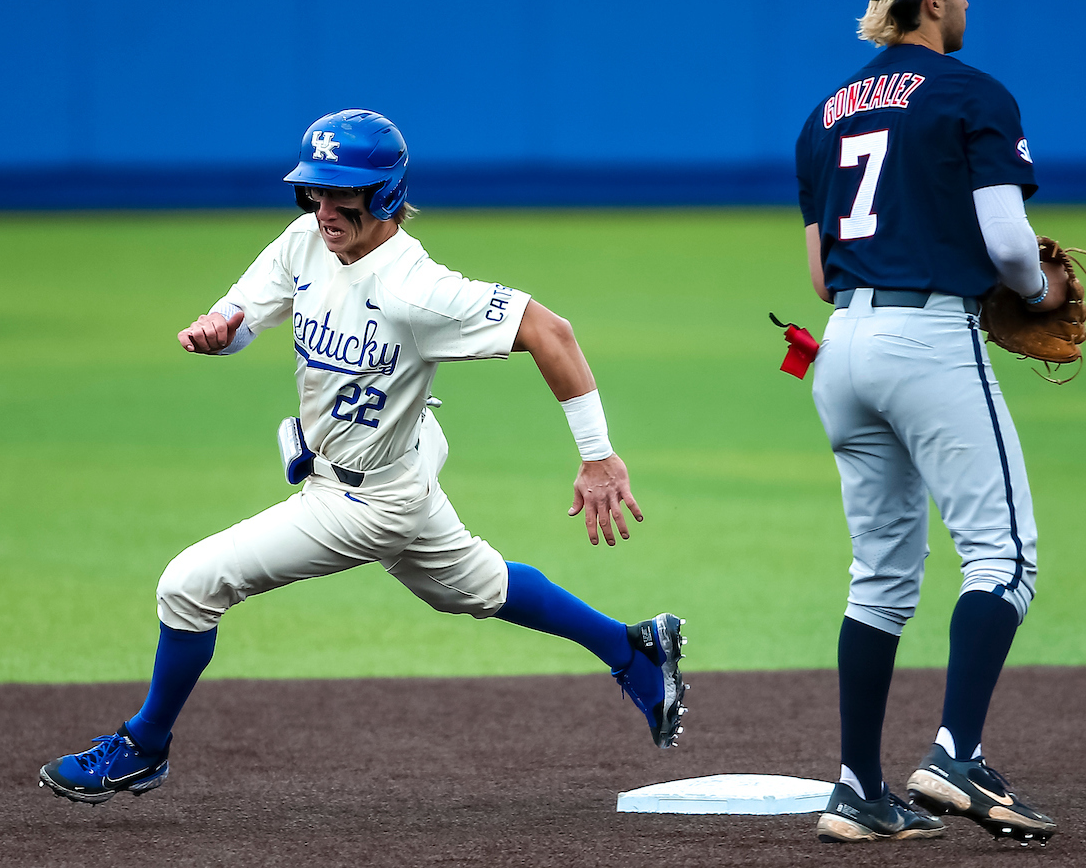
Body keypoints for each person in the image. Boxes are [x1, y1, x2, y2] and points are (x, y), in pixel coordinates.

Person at [38, 109, 686, 805]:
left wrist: (599, 457)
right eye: (312, 191)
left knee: (189, 585)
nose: (322, 208)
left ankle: (143, 747)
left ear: (383, 197)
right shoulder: (306, 241)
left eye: (339, 194)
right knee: (475, 586)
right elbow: (244, 315)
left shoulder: (417, 289)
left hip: (369, 499)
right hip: (389, 463)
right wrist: (220, 328)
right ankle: (633, 649)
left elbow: (548, 330)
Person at [794, 0, 1060, 846]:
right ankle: (955, 752)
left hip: (840, 346)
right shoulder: (972, 92)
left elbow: (821, 269)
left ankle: (858, 790)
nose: (969, 3)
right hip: (928, 340)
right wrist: (1035, 292)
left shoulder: (825, 111)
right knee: (1005, 559)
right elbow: (1011, 246)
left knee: (878, 582)